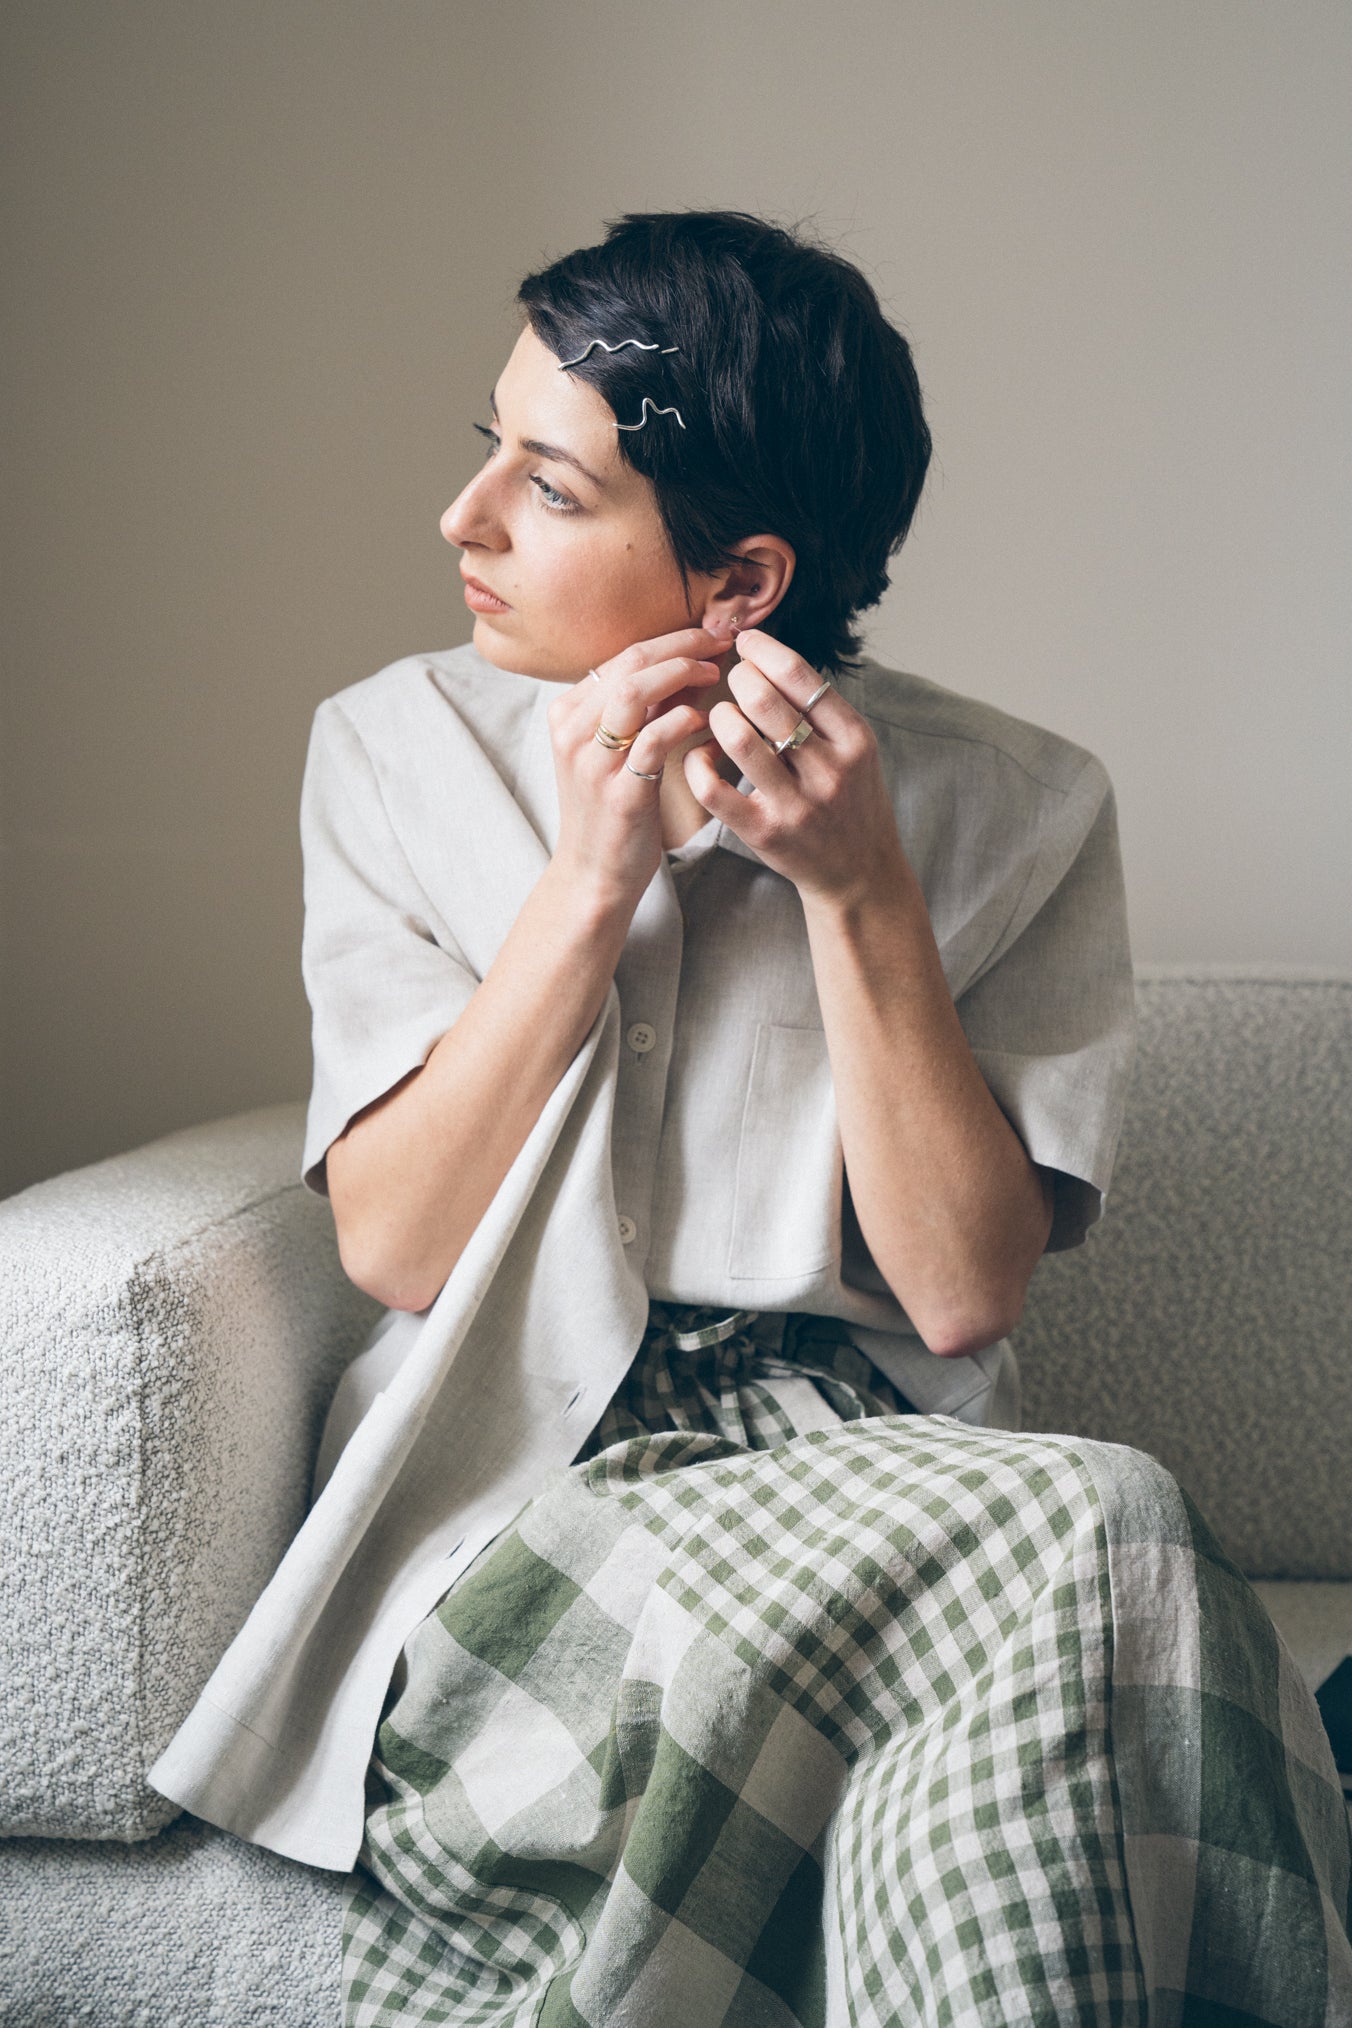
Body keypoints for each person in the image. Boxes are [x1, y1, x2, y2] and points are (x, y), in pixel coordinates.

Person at [151, 210, 1351, 2025]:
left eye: (547, 487)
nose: (465, 520)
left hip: (883, 1472)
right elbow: (393, 1244)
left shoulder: (1016, 806)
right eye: (491, 449)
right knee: (1106, 1531)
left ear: (740, 583)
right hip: (521, 1503)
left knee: (1086, 1558)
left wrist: (861, 894)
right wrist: (588, 879)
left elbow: (958, 1296)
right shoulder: (391, 752)